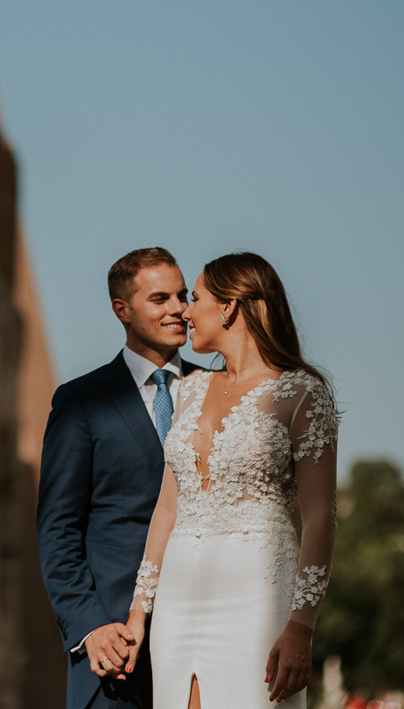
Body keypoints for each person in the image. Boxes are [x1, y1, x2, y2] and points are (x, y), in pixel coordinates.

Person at [119, 252, 339, 708]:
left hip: (257, 600)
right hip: (178, 603)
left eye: (193, 298)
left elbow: (321, 517)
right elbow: (167, 509)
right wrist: (140, 611)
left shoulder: (301, 392)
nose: (183, 311)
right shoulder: (189, 390)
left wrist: (302, 626)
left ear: (229, 307)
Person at [37, 247, 200, 709]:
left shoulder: (216, 393)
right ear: (122, 310)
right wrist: (90, 625)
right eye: (160, 298)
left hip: (203, 631)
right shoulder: (81, 400)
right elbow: (58, 528)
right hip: (116, 647)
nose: (178, 310)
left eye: (182, 296)